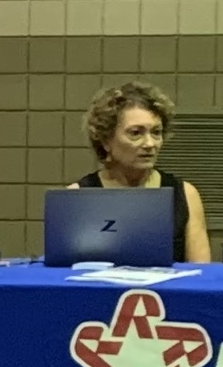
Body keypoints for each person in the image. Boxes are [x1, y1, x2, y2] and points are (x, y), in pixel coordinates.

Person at [73, 80, 211, 261]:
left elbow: (201, 271)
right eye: (136, 133)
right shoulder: (76, 197)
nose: (150, 144)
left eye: (156, 132)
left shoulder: (185, 195)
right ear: (106, 140)